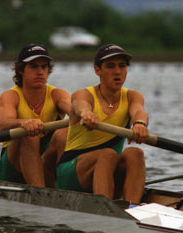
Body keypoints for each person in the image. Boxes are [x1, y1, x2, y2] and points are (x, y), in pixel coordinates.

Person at [56, 44, 149, 204]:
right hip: (72, 171)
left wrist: (140, 123)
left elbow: (139, 111)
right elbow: (80, 104)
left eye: (122, 66)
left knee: (135, 153)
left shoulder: (133, 96)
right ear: (97, 70)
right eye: (110, 66)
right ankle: (105, 210)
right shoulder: (84, 94)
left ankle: (133, 209)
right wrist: (86, 114)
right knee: (108, 154)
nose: (118, 71)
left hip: (107, 169)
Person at [0, 44, 71, 187]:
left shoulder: (57, 94)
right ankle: (40, 193)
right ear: (20, 70)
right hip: (12, 168)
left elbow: (74, 110)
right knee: (29, 134)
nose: (40, 72)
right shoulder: (11, 96)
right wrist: (23, 123)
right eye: (34, 66)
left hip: (45, 163)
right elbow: (3, 123)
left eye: (44, 67)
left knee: (65, 133)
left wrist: (84, 114)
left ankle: (63, 189)